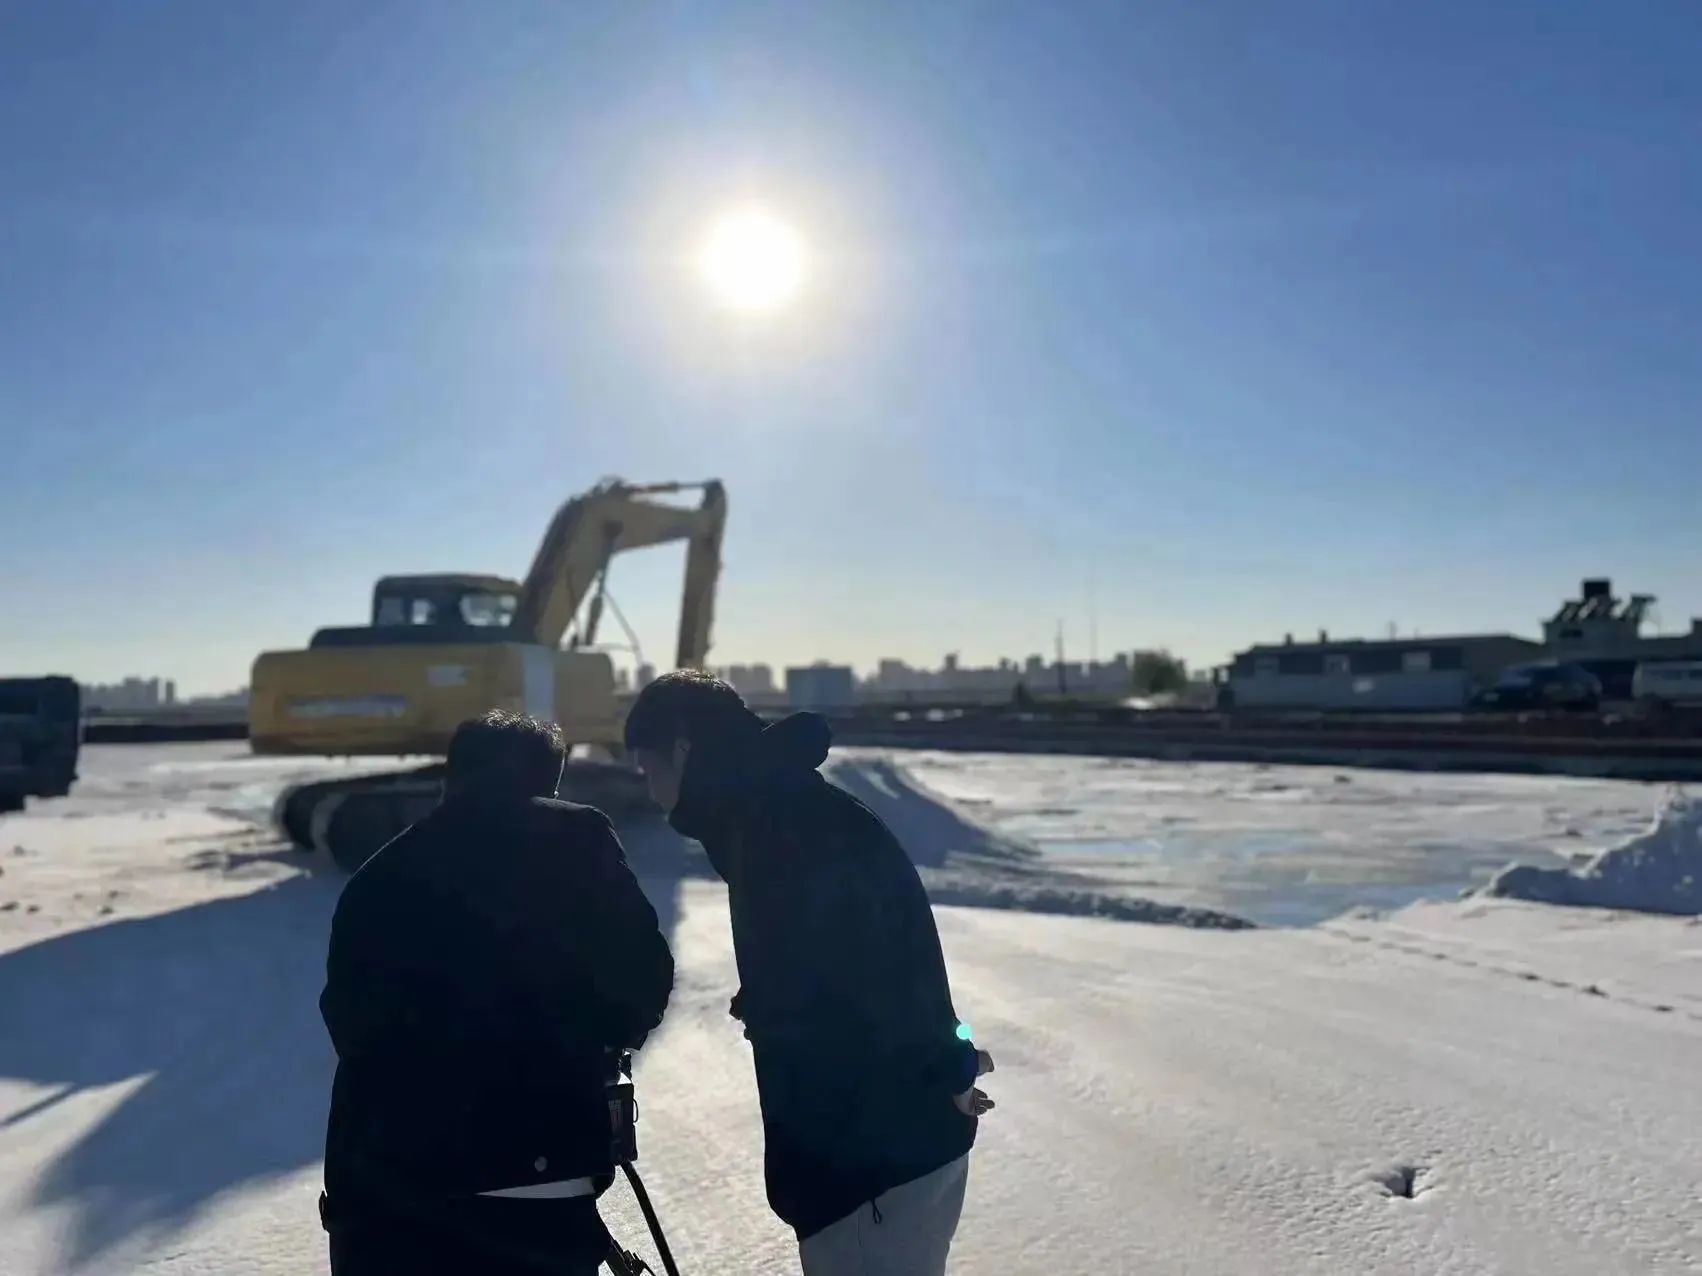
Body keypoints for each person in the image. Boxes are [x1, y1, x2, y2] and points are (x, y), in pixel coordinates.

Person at [624, 671, 992, 1275]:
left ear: (684, 750)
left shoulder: (779, 832)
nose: (650, 789)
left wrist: (947, 1069)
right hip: (889, 1146)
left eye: (648, 768)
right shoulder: (782, 813)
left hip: (871, 1165)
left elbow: (876, 985)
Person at [319, 710, 673, 1275]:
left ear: (449, 778)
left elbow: (350, 1025)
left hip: (387, 1195)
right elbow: (640, 984)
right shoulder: (575, 836)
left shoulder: (376, 875)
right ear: (550, 784)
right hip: (535, 1182)